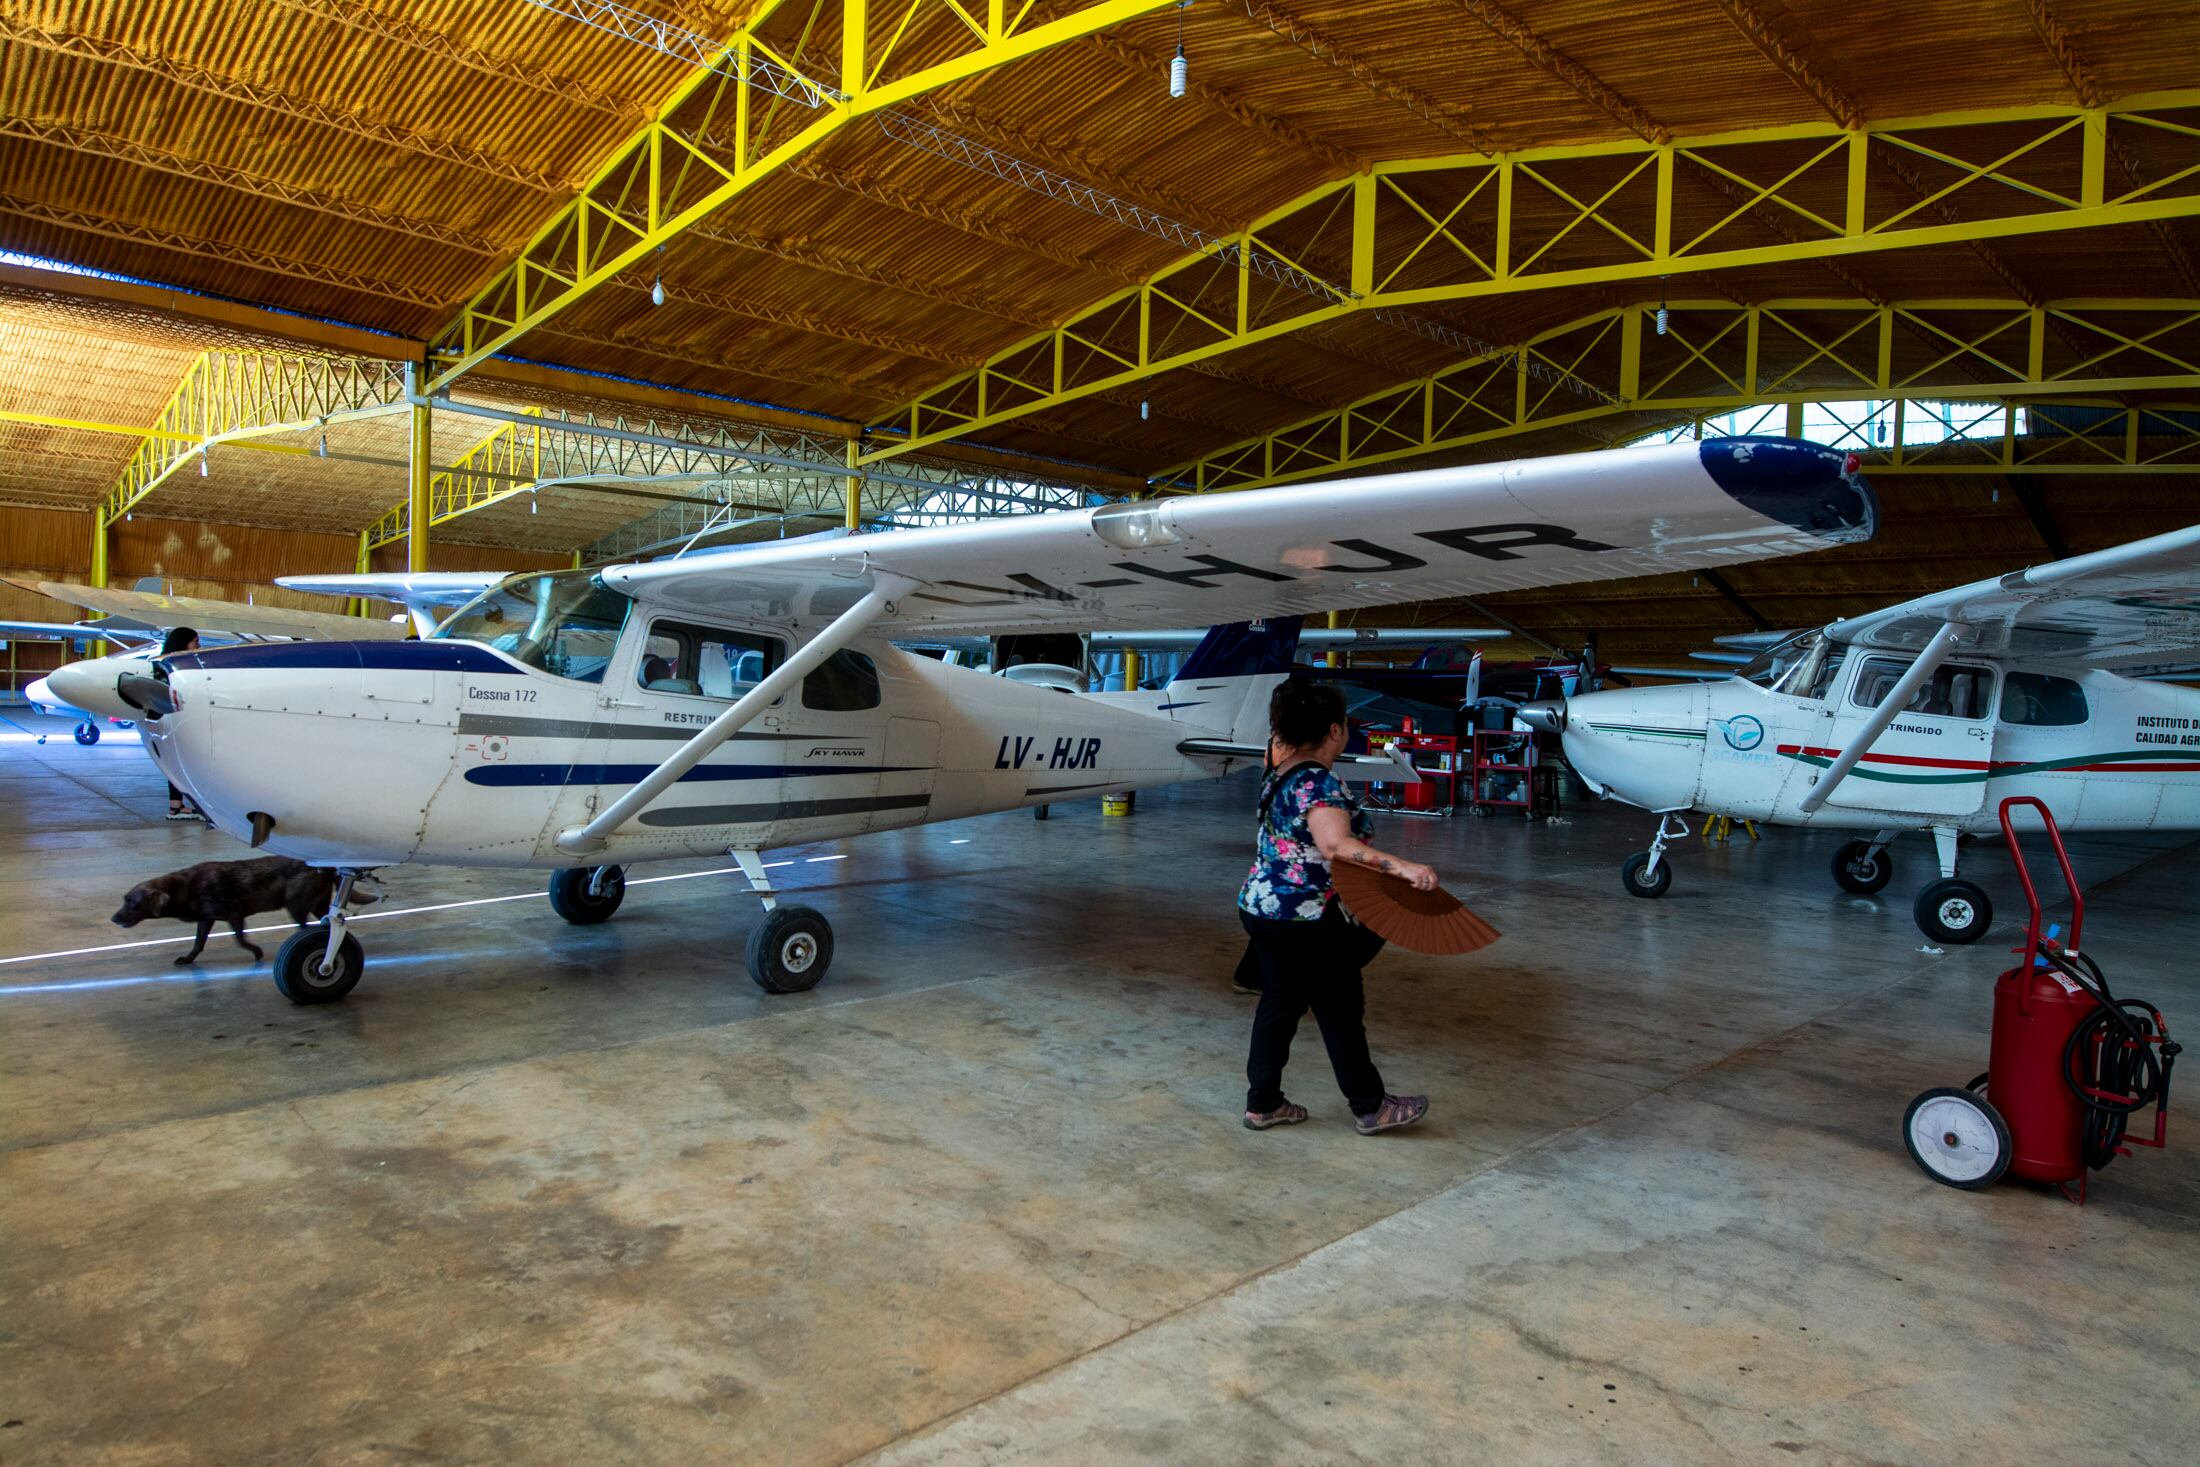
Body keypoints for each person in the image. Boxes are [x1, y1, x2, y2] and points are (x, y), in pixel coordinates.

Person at [1238, 679, 1434, 1136]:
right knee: (1340, 1006)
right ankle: (1371, 1107)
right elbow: (1334, 844)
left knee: (1280, 1004)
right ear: (1334, 731)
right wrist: (1401, 866)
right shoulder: (1317, 782)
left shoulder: (1279, 767)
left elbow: (1281, 737)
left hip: (1263, 908)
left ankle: (1263, 1103)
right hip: (1305, 918)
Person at [159, 627, 204, 822]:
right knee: (192, 765)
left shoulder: (164, 662)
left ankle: (175, 807)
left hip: (166, 721)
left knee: (174, 765)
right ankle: (200, 806)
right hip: (179, 721)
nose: (199, 645)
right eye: (195, 641)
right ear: (183, 643)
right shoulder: (181, 666)